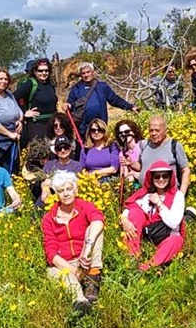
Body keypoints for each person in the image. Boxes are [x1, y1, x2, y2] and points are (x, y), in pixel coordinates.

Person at [41, 171, 105, 313]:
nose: (66, 194)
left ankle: (92, 278)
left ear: (76, 190)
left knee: (95, 228)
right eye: (61, 191)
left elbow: (99, 219)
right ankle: (80, 301)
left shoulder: (85, 206)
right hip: (64, 264)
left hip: (86, 258)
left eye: (69, 189)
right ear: (56, 194)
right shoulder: (48, 218)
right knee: (62, 275)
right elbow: (51, 253)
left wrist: (86, 250)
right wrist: (74, 271)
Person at [120, 161, 185, 271]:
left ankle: (148, 267)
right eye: (157, 176)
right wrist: (124, 220)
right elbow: (129, 208)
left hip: (165, 236)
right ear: (152, 178)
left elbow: (174, 223)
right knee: (136, 212)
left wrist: (159, 203)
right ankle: (132, 255)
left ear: (170, 178)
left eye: (164, 176)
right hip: (146, 235)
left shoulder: (177, 196)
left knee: (177, 240)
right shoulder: (145, 195)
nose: (161, 179)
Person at [66, 62, 138, 138]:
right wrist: (67, 105)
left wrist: (130, 107)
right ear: (81, 75)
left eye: (88, 72)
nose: (86, 75)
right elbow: (71, 105)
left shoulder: (102, 87)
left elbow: (115, 100)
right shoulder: (76, 89)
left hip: (101, 127)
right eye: (83, 73)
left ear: (93, 72)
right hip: (83, 130)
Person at [132, 116, 191, 195]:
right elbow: (142, 167)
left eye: (157, 130)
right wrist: (131, 164)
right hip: (146, 194)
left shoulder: (174, 145)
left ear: (165, 130)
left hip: (168, 194)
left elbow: (186, 171)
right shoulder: (145, 145)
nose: (153, 133)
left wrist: (181, 195)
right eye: (151, 130)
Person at [14, 58, 58, 151]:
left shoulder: (50, 84)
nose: (44, 73)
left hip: (51, 125)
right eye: (40, 71)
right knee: (38, 154)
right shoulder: (30, 83)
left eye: (46, 70)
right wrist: (24, 112)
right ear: (34, 71)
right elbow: (13, 98)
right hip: (36, 126)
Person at [115, 119, 144, 184]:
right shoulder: (122, 153)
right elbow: (124, 176)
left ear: (134, 132)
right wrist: (133, 173)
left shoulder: (142, 146)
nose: (123, 134)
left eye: (126, 132)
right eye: (120, 133)